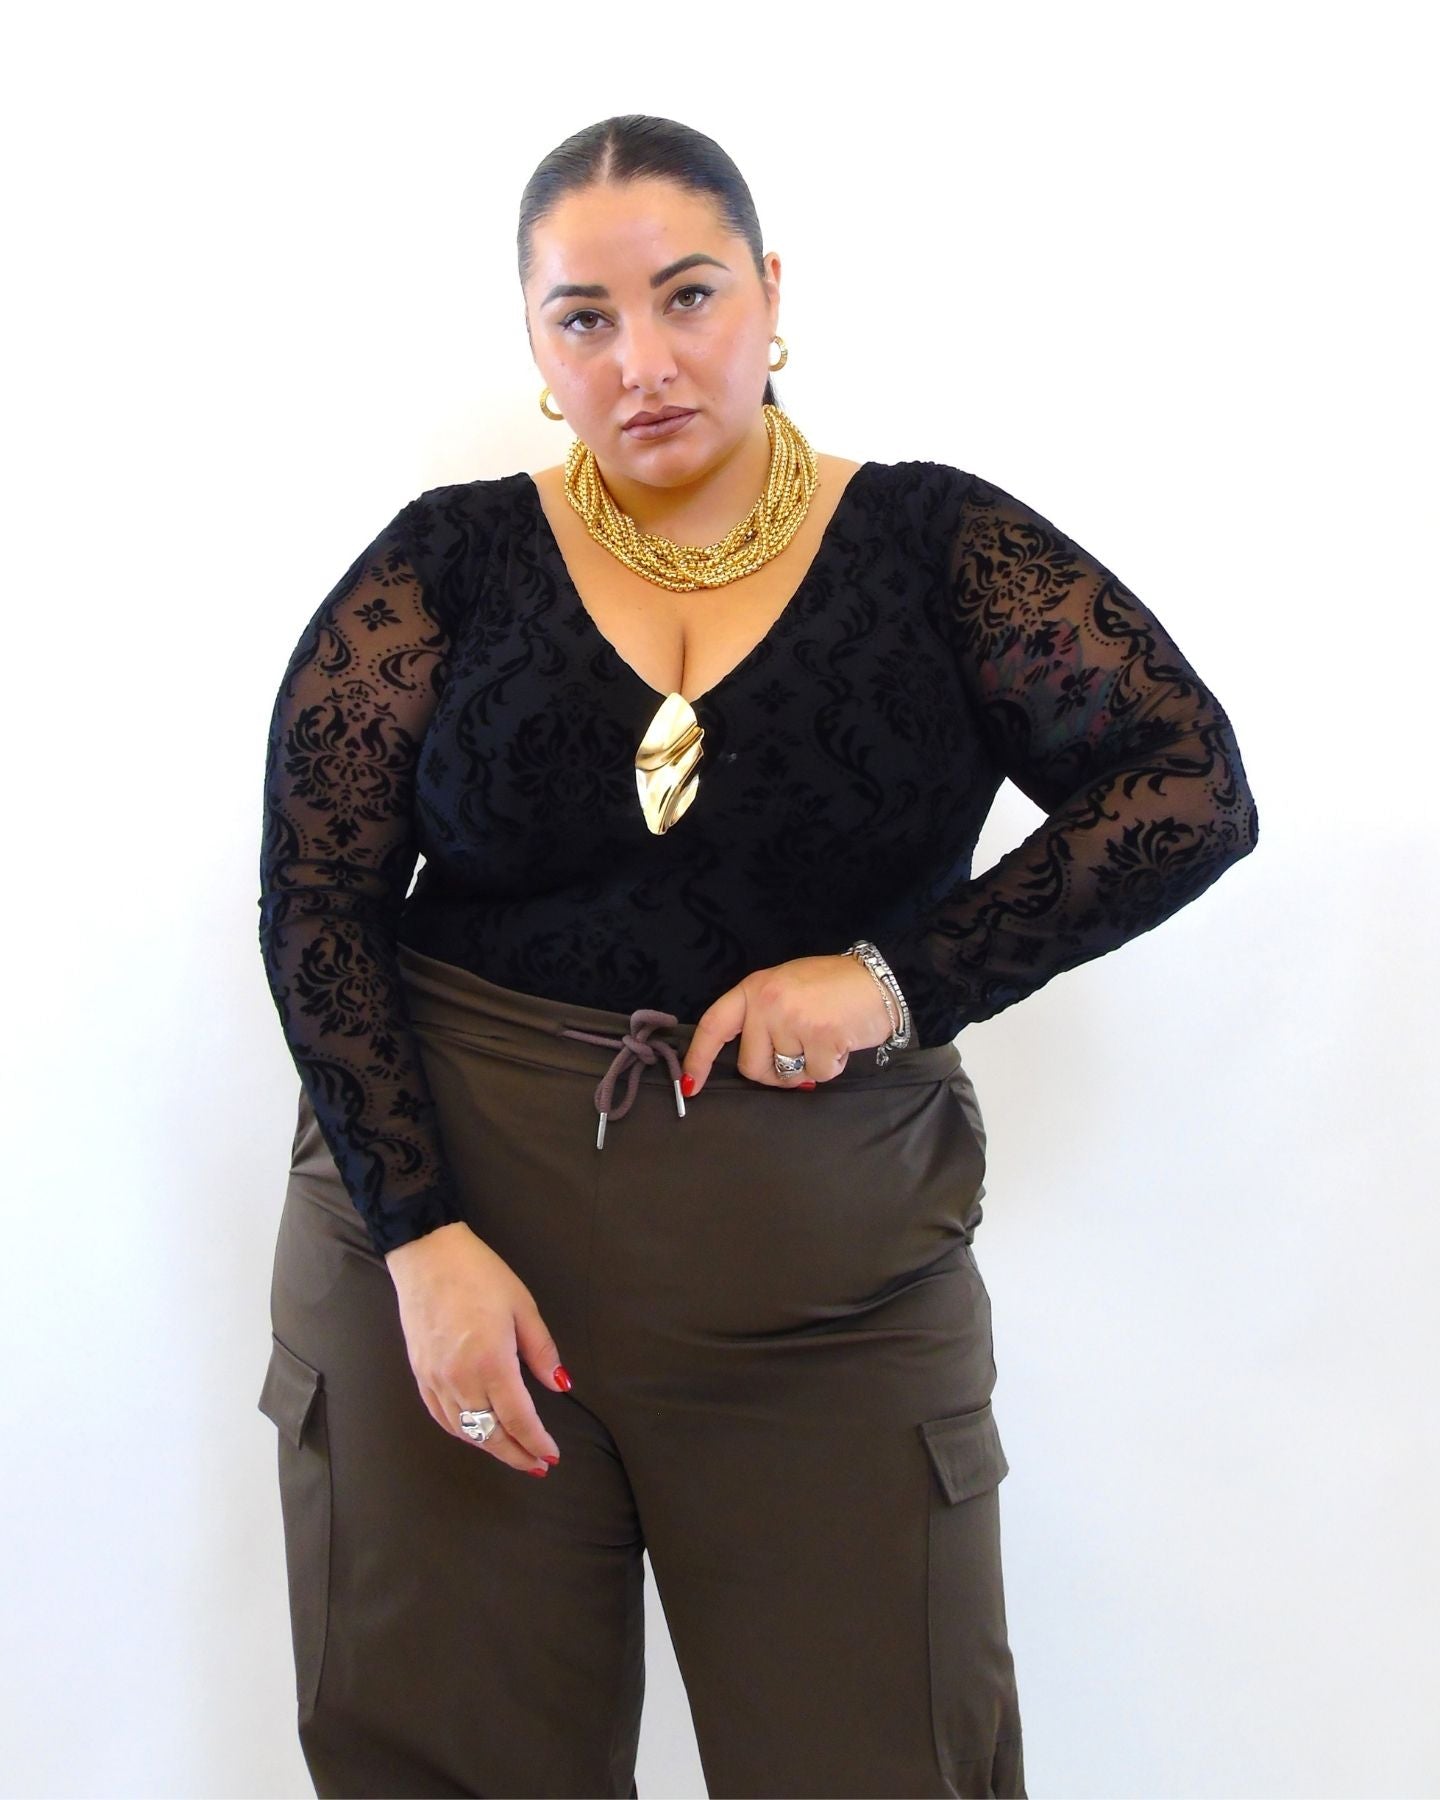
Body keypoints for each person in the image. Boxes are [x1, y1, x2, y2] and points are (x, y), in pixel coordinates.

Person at [254, 113, 1258, 1800]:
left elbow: (1187, 787)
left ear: (771, 293)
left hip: (826, 1283)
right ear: (536, 345)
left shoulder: (939, 546)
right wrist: (418, 1242)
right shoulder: (448, 560)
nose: (642, 361)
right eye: (584, 317)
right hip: (445, 1246)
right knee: (446, 1764)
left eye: (689, 294)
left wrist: (896, 979)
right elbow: (315, 897)